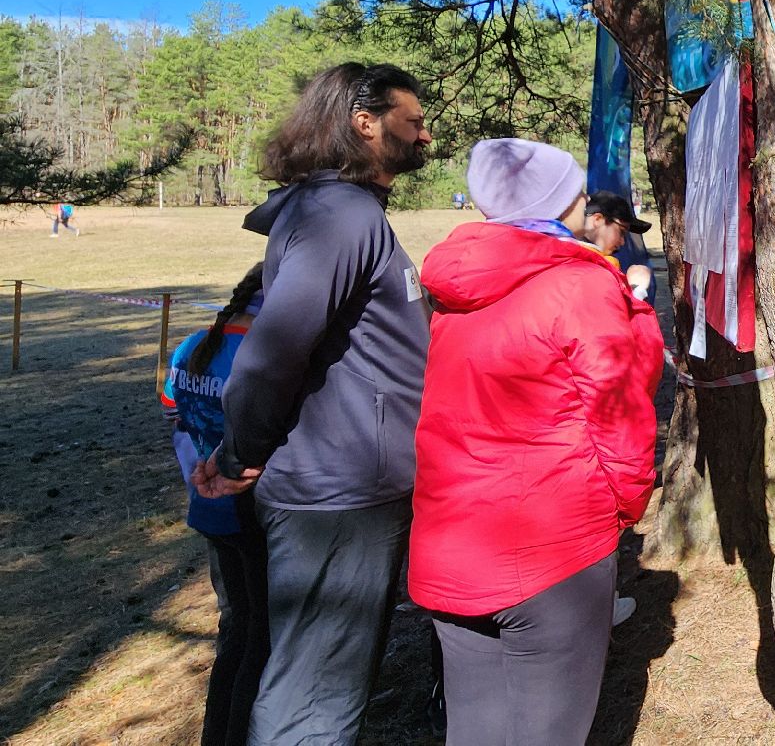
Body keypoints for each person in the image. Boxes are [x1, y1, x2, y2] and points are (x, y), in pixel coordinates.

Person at [191, 62, 433, 746]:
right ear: (365, 122)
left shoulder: (345, 212)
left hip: (348, 488)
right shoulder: (339, 215)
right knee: (315, 700)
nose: (426, 136)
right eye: (413, 123)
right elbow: (272, 353)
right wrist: (241, 454)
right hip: (338, 498)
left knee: (312, 680)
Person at [408, 139, 663, 746]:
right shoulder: (578, 284)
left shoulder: (453, 286)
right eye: (574, 191)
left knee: (473, 729)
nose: (583, 201)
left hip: (451, 542)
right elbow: (623, 405)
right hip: (552, 549)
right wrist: (627, 506)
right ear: (555, 202)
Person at [163, 265, 269, 746]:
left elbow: (172, 414)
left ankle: (216, 734)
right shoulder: (262, 354)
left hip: (206, 508)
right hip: (250, 512)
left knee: (235, 629)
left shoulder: (191, 346)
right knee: (260, 637)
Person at [581, 190, 656, 304]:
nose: (622, 242)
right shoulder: (583, 268)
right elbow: (610, 317)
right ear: (597, 220)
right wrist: (636, 291)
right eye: (621, 231)